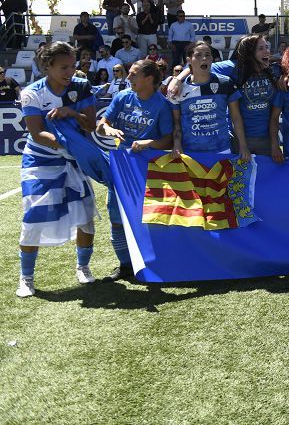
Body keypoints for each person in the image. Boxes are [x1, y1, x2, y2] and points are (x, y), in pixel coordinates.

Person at [15, 42, 98, 297]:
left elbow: (91, 125)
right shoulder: (32, 93)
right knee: (34, 219)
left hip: (73, 160)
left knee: (86, 217)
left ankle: (83, 267)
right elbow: (38, 133)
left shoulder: (81, 86)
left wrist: (70, 113)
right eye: (64, 67)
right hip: (41, 162)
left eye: (73, 65)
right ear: (47, 66)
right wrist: (66, 144)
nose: (70, 71)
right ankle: (26, 278)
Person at [95, 59, 173, 281]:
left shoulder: (162, 105)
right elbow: (101, 124)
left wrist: (148, 143)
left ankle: (154, 261)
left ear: (149, 79)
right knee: (116, 217)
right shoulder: (122, 97)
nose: (127, 78)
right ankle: (124, 266)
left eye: (133, 74)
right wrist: (108, 129)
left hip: (150, 169)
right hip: (122, 167)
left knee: (150, 217)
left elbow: (168, 139)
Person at [170, 41, 249, 161]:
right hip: (190, 152)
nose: (204, 58)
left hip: (222, 149)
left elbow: (236, 117)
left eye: (208, 55)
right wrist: (176, 144)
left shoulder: (225, 83)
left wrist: (243, 146)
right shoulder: (178, 90)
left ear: (212, 58)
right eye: (198, 55)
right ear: (189, 60)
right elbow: (176, 122)